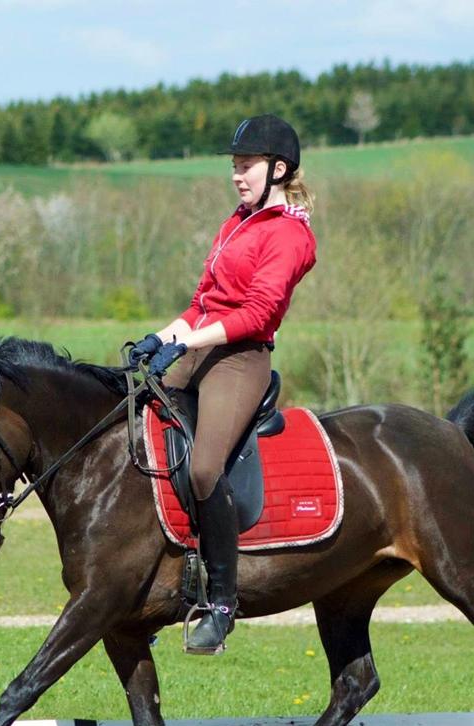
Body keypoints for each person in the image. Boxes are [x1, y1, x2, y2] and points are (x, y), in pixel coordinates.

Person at [128, 114, 317, 654]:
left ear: (278, 169)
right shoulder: (237, 221)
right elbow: (200, 303)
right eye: (234, 166)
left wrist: (186, 344)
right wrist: (157, 336)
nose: (237, 175)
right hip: (201, 344)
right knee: (131, 418)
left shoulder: (289, 234)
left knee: (205, 466)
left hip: (240, 359)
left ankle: (221, 604)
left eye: (246, 166)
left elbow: (257, 315)